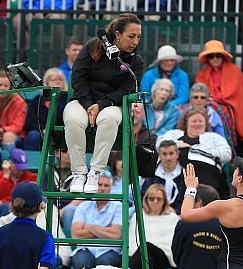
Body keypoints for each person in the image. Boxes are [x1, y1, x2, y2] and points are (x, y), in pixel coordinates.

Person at [64, 13, 143, 194]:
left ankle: (95, 172)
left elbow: (127, 89)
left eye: (138, 37)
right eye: (131, 36)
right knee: (73, 119)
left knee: (109, 120)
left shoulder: (136, 61)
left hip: (112, 105)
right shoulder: (92, 47)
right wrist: (88, 104)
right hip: (83, 101)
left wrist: (101, 104)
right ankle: (79, 172)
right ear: (117, 35)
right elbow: (78, 77)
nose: (135, 41)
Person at [160, 108, 232, 196]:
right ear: (186, 123)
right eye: (194, 121)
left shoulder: (214, 137)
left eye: (200, 121)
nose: (197, 124)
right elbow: (159, 144)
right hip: (175, 175)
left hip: (206, 176)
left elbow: (227, 154)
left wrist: (197, 150)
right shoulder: (174, 134)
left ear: (206, 123)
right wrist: (177, 145)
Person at [195, 40, 243, 145]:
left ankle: (225, 143)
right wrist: (207, 99)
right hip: (206, 103)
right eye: (211, 56)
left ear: (223, 57)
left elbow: (232, 93)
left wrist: (213, 99)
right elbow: (200, 91)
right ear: (208, 59)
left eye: (218, 56)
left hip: (228, 105)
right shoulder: (202, 74)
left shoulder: (234, 71)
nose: (215, 59)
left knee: (219, 112)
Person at [128, 183, 178, 269]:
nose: (155, 201)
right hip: (141, 257)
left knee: (147, 246)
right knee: (149, 261)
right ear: (146, 199)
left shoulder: (173, 218)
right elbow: (132, 242)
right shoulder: (137, 216)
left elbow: (173, 244)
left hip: (164, 257)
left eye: (159, 199)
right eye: (151, 198)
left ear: (164, 201)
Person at [23, 68, 68, 152]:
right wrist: (42, 129)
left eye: (60, 80)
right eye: (54, 80)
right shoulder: (38, 99)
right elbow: (29, 123)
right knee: (33, 135)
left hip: (60, 133)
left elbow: (64, 119)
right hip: (40, 133)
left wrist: (54, 105)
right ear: (46, 83)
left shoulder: (67, 98)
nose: (58, 82)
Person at [0, 149, 37, 219]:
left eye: (23, 168)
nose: (21, 171)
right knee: (5, 208)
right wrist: (5, 178)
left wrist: (3, 201)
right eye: (18, 168)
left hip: (24, 209)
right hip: (2, 208)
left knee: (2, 215)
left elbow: (27, 197)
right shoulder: (0, 175)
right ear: (10, 164)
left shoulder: (32, 177)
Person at [141, 140, 184, 214]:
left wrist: (176, 211)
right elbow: (143, 196)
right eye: (164, 154)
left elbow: (188, 199)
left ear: (177, 154)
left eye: (171, 154)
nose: (168, 158)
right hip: (153, 214)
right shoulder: (151, 175)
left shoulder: (185, 175)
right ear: (159, 155)